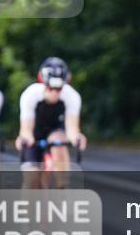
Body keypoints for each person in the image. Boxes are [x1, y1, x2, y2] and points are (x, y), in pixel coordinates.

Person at [15, 57, 87, 188]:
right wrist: (26, 138)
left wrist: (76, 137)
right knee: (31, 179)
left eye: (58, 89)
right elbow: (26, 128)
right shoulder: (30, 95)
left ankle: (62, 188)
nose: (54, 93)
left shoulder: (72, 96)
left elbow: (72, 128)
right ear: (43, 83)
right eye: (50, 88)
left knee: (58, 141)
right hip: (35, 132)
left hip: (56, 130)